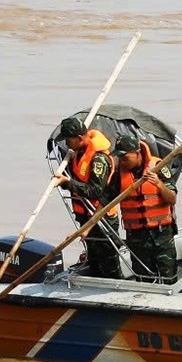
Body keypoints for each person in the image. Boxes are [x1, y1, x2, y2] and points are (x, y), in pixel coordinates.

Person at [55, 116, 124, 278]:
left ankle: (113, 291)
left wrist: (68, 182)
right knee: (93, 260)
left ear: (79, 138)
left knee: (108, 263)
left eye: (68, 140)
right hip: (85, 216)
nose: (66, 144)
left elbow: (95, 191)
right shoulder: (78, 153)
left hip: (102, 218)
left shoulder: (98, 159)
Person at [113, 135, 179, 283]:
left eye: (125, 157)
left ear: (137, 154)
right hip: (137, 238)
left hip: (162, 236)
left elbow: (172, 199)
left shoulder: (159, 167)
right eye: (119, 158)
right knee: (143, 279)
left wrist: (159, 184)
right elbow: (105, 201)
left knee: (169, 277)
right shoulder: (119, 174)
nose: (121, 161)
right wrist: (87, 228)